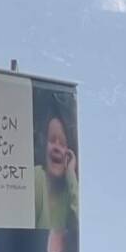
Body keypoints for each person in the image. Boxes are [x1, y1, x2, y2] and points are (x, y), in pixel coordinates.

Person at [33, 93, 79, 231]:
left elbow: (78, 229)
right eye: (52, 140)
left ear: (69, 154)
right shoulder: (36, 178)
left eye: (63, 143)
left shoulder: (70, 190)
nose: (57, 148)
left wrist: (71, 175)